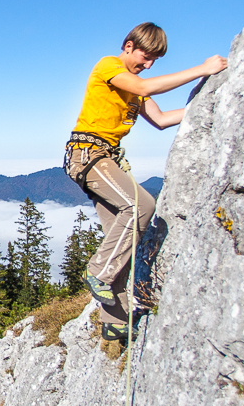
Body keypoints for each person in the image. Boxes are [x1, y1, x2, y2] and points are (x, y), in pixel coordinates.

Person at [63, 22, 227, 342]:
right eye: (145, 56)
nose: (148, 65)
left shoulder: (135, 86)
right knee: (141, 206)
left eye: (154, 61)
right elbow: (145, 88)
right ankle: (98, 272)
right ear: (128, 46)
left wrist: (209, 104)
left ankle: (116, 323)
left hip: (102, 159)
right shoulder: (109, 66)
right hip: (88, 156)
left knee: (122, 237)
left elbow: (163, 120)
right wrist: (203, 70)